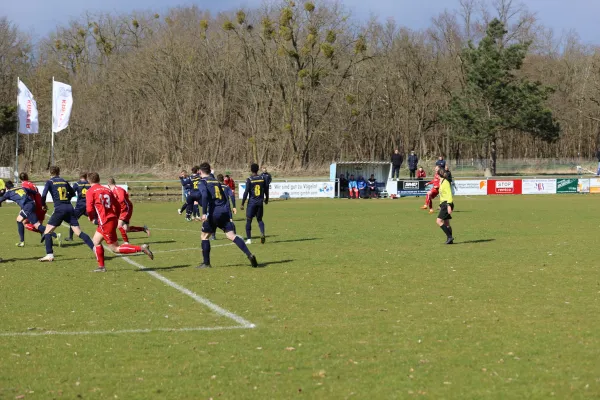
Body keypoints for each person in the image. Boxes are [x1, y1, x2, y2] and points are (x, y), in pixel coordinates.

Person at [86, 172, 153, 272]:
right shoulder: (107, 189)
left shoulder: (91, 191)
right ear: (99, 179)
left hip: (105, 221)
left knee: (115, 248)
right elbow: (117, 205)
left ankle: (141, 248)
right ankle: (101, 266)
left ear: (89, 181)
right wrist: (116, 216)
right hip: (110, 219)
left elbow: (89, 207)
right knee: (96, 241)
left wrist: (91, 218)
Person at [197, 163, 258, 269]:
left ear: (200, 171)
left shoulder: (202, 182)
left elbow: (205, 196)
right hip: (224, 211)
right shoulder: (216, 181)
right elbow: (224, 197)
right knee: (231, 235)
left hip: (213, 212)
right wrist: (227, 210)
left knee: (204, 236)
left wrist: (203, 213)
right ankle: (249, 254)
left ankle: (206, 263)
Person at [39, 166, 95, 262]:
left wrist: (43, 205)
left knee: (47, 232)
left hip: (59, 209)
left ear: (50, 173)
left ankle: (49, 254)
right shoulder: (64, 181)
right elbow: (73, 193)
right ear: (59, 172)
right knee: (78, 232)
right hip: (69, 208)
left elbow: (43, 195)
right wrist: (65, 200)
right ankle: (95, 249)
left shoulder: (50, 182)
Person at [0, 181, 56, 246]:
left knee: (37, 225)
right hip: (31, 205)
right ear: (12, 185)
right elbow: (34, 192)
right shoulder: (22, 188)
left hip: (27, 207)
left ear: (6, 187)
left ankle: (55, 235)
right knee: (19, 220)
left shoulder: (8, 193)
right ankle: (22, 242)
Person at [107, 178, 150, 244]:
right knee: (126, 229)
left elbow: (121, 199)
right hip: (121, 210)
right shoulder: (111, 192)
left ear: (108, 184)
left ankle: (126, 243)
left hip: (126, 209)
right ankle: (144, 229)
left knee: (119, 225)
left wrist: (114, 202)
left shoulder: (118, 189)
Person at [241, 163, 269, 245]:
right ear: (258, 169)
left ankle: (249, 239)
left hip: (252, 203)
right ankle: (262, 233)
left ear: (251, 170)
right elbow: (266, 190)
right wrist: (266, 199)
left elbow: (246, 192)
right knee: (259, 220)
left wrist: (242, 203)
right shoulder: (262, 178)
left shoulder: (249, 179)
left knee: (249, 220)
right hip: (260, 202)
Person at [19, 172, 46, 239]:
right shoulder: (32, 184)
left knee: (24, 223)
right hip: (41, 205)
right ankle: (48, 238)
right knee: (39, 225)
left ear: (20, 179)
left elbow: (28, 197)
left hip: (35, 206)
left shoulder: (24, 185)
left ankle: (49, 232)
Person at [66, 172, 91, 242]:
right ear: (86, 177)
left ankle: (70, 237)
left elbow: (72, 193)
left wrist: (68, 199)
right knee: (95, 219)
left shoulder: (77, 184)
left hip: (79, 206)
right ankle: (105, 233)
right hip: (87, 205)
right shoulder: (89, 184)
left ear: (80, 177)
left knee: (73, 220)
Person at [213, 174, 238, 240]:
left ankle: (213, 236)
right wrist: (234, 206)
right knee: (230, 220)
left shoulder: (215, 187)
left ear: (217, 180)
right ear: (223, 179)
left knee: (214, 221)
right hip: (226, 207)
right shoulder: (227, 187)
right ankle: (234, 235)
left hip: (217, 207)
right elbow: (232, 196)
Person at [436, 170, 455, 245]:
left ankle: (450, 237)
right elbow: (442, 195)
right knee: (446, 222)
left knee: (438, 221)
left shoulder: (446, 182)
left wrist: (449, 205)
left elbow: (449, 194)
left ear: (438, 175)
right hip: (444, 204)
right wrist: (440, 205)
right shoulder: (442, 182)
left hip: (447, 204)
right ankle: (450, 240)